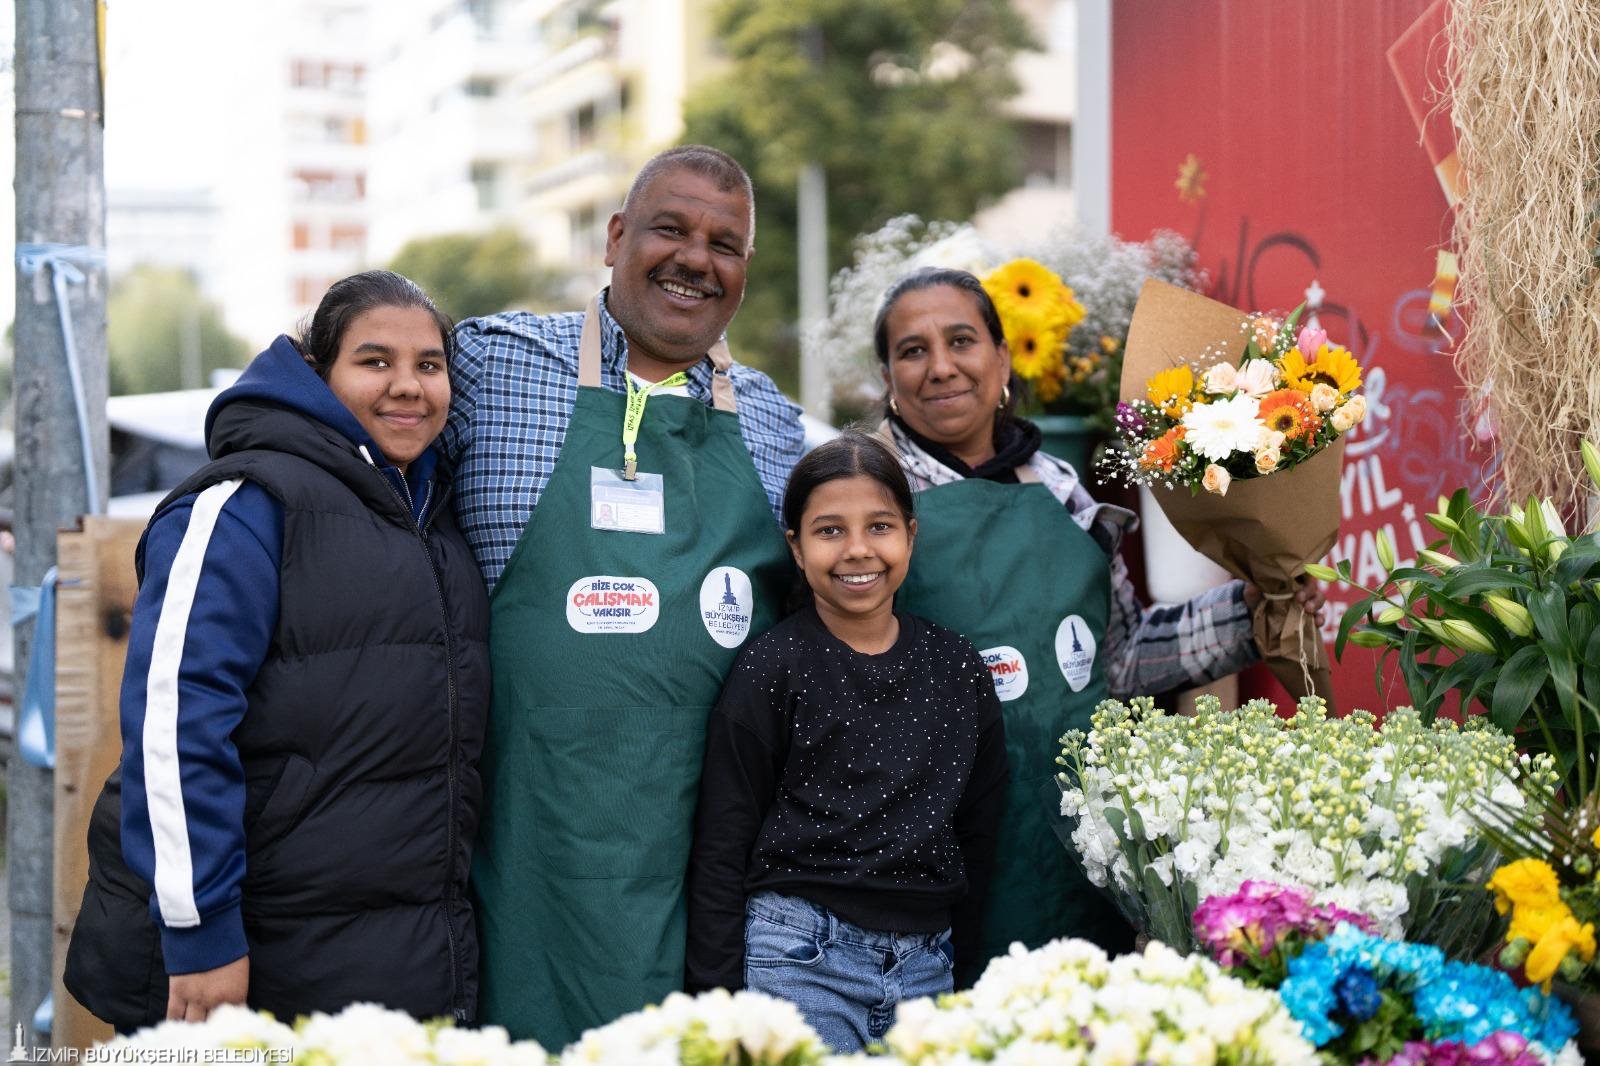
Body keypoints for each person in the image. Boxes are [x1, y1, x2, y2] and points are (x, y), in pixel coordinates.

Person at [443, 145, 805, 1047]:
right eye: (671, 228)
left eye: (725, 244)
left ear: (745, 272)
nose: (696, 258)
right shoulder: (491, 367)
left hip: (704, 862)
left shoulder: (771, 420)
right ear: (615, 238)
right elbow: (355, 401)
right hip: (528, 845)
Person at [871, 267, 1324, 984]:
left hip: (1081, 851)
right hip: (939, 857)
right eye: (913, 350)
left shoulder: (1056, 486)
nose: (941, 367)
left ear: (1003, 357)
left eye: (961, 340)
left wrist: (1255, 610)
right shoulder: (869, 495)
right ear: (888, 376)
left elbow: (1121, 658)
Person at [65, 271, 490, 1028]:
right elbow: (173, 728)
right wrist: (200, 933)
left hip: (403, 957)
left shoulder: (437, 522)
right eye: (374, 361)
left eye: (429, 364)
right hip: (259, 957)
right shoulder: (243, 506)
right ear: (318, 372)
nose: (408, 387)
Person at [683, 432, 1007, 1052]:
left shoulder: (957, 667)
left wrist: (959, 964)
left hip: (929, 969)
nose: (858, 550)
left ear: (911, 534)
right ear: (796, 550)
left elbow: (980, 828)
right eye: (829, 531)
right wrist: (718, 1007)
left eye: (879, 526)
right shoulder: (772, 666)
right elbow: (722, 841)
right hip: (799, 961)